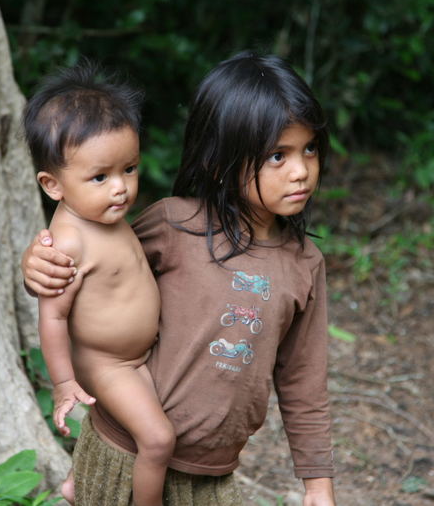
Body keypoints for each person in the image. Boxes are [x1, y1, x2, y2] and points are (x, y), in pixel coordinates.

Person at [23, 51, 336, 505]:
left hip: (210, 473)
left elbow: (304, 380)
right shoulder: (176, 226)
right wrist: (34, 265)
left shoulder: (304, 265)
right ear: (219, 160)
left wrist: (318, 485)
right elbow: (84, 257)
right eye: (276, 156)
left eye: (309, 148)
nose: (301, 170)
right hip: (121, 454)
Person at [23, 63, 174, 506]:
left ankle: (78, 481)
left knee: (126, 428)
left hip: (137, 355)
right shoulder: (68, 240)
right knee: (158, 440)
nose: (121, 189)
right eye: (100, 177)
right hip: (109, 363)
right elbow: (52, 317)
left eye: (129, 169)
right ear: (53, 185)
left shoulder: (104, 215)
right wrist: (64, 383)